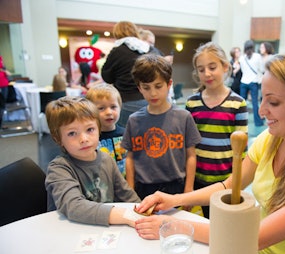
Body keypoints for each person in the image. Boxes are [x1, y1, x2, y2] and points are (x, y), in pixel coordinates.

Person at [134, 50, 285, 254]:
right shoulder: (273, 139)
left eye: (274, 102)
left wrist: (174, 224)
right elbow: (231, 185)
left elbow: (252, 238)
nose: (260, 111)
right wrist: (176, 199)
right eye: (262, 99)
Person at [44, 96, 141, 227]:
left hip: (102, 229)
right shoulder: (59, 169)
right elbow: (73, 206)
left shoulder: (106, 159)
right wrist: (125, 215)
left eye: (90, 130)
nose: (84, 139)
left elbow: (127, 196)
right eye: (72, 133)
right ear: (58, 138)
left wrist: (142, 211)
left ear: (99, 129)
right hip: (70, 230)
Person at [121, 54, 202, 199]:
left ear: (169, 84)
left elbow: (191, 155)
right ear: (139, 88)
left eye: (158, 86)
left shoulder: (184, 117)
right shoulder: (134, 120)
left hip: (176, 186)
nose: (153, 93)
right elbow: (130, 158)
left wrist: (189, 188)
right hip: (143, 187)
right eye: (146, 87)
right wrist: (130, 190)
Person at [186, 42, 248, 218]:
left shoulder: (237, 103)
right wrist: (188, 185)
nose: (207, 73)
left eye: (212, 67)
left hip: (225, 180)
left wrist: (238, 182)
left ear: (225, 67)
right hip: (198, 178)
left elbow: (242, 149)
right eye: (201, 69)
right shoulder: (192, 103)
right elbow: (188, 146)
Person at [101, 21, 154, 127]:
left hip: (126, 101)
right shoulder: (149, 49)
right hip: (150, 99)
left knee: (127, 138)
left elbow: (106, 76)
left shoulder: (117, 51)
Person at [86, 84, 128, 176]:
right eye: (101, 108)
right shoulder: (90, 139)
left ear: (120, 108)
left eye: (113, 107)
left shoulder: (126, 134)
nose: (109, 112)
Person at [239, 40, 264, 127]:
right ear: (253, 47)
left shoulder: (241, 58)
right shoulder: (257, 56)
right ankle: (258, 123)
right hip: (254, 82)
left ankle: (240, 122)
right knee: (254, 103)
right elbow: (261, 69)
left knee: (241, 103)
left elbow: (242, 70)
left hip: (243, 81)